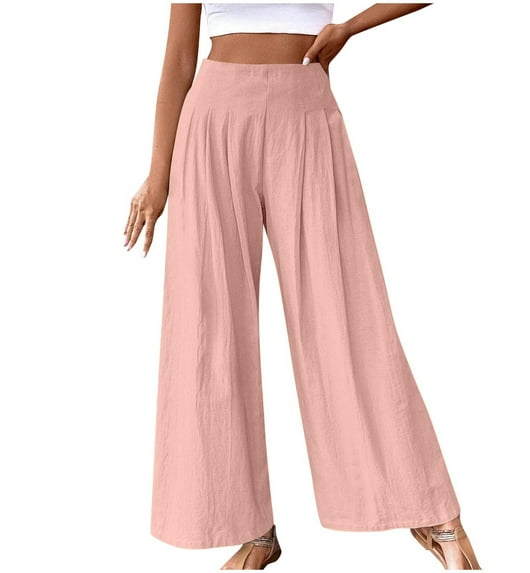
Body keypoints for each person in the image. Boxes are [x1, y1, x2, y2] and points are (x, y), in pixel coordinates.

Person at [123, 3, 481, 570]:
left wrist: (350, 29)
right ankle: (250, 529)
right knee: (208, 325)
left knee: (347, 310)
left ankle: (429, 507)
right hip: (212, 115)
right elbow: (180, 56)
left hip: (306, 110)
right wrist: (157, 176)